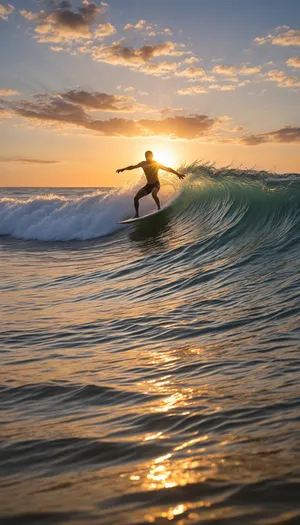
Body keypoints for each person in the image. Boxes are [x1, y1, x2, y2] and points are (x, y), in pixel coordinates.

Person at [116, 150, 185, 218]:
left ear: (152, 156)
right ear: (145, 156)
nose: (147, 157)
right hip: (148, 186)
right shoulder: (143, 163)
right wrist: (123, 169)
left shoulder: (156, 164)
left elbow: (167, 169)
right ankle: (137, 214)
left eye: (149, 156)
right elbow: (132, 167)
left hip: (156, 184)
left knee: (153, 194)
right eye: (146, 156)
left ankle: (159, 208)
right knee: (136, 198)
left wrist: (177, 174)